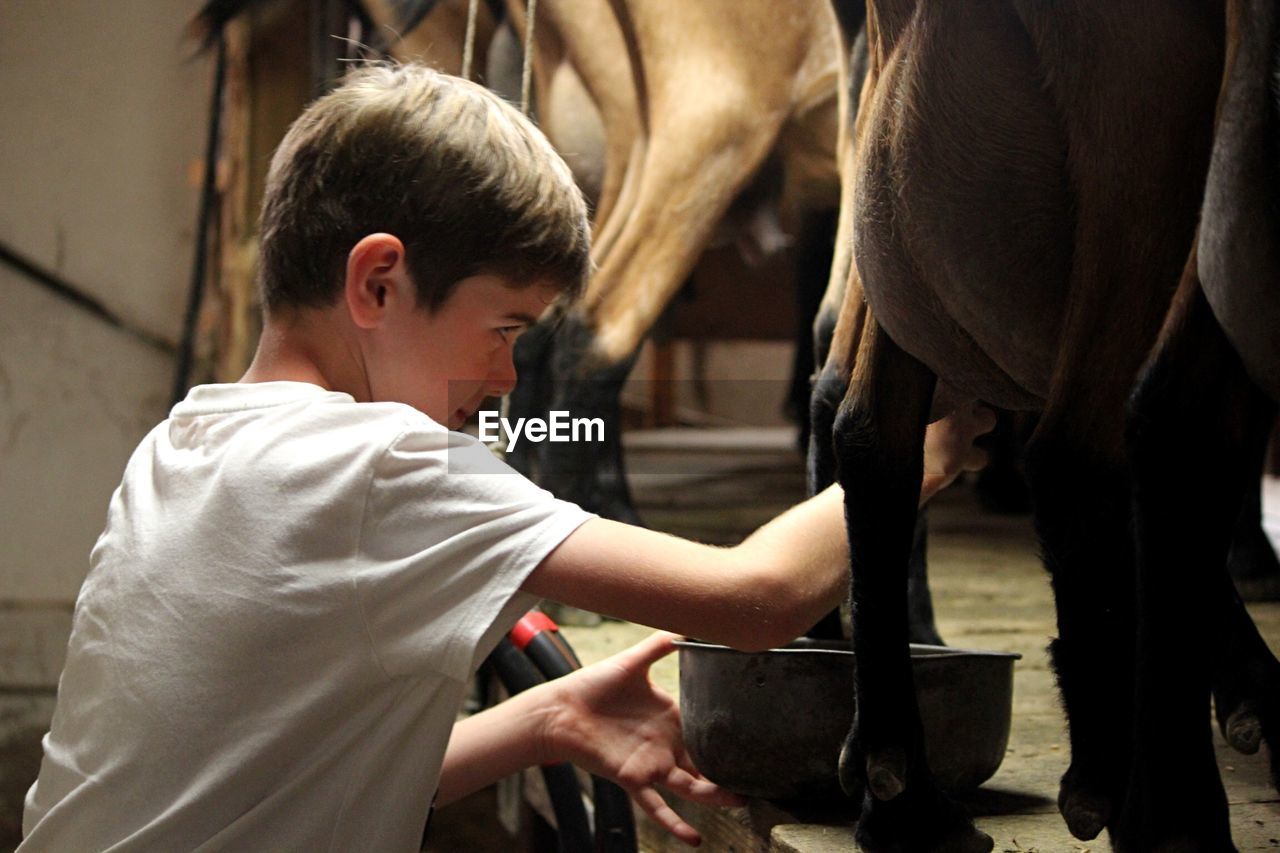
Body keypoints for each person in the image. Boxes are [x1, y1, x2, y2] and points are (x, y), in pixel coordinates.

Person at [21, 64, 994, 852]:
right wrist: (933, 439)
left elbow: (274, 774)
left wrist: (543, 722)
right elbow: (757, 598)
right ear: (379, 282)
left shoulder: (184, 439)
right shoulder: (380, 462)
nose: (505, 379)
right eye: (505, 329)